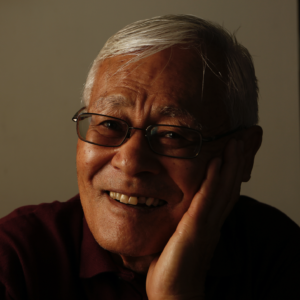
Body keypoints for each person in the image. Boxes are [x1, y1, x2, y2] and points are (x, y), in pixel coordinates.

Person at [0, 14, 299, 300]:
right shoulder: (17, 257)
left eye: (172, 134)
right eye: (109, 124)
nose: (129, 162)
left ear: (243, 154)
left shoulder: (277, 257)